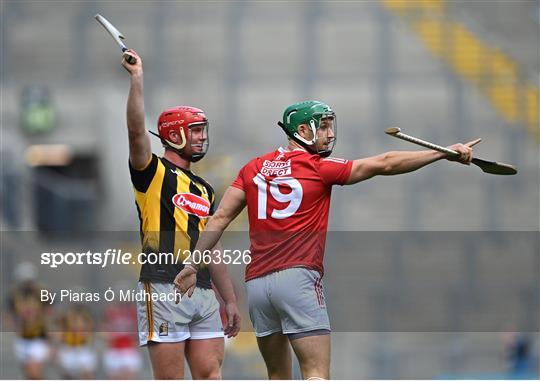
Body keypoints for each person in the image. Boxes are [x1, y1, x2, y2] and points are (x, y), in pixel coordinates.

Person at [174, 100, 481, 379]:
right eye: (322, 126)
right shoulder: (318, 167)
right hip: (298, 279)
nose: (329, 133)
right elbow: (385, 163)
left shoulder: (253, 168)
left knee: (278, 377)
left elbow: (218, 219)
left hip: (256, 286)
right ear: (302, 130)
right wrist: (442, 154)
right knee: (316, 373)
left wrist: (191, 265)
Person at [121, 49, 241, 380]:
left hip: (202, 290)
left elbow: (212, 245)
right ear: (174, 135)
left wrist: (228, 299)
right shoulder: (150, 171)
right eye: (197, 130)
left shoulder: (204, 188)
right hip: (162, 285)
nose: (203, 137)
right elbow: (135, 134)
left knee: (210, 375)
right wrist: (137, 79)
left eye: (204, 130)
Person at [7, 262, 51, 379]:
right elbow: (10, 314)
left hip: (38, 337)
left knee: (35, 372)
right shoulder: (15, 294)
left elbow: (50, 312)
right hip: (22, 338)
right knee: (29, 375)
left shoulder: (41, 293)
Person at [54, 303, 97, 379]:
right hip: (68, 350)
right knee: (67, 375)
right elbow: (59, 337)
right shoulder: (65, 323)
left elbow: (89, 337)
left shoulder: (86, 324)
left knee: (87, 374)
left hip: (82, 350)